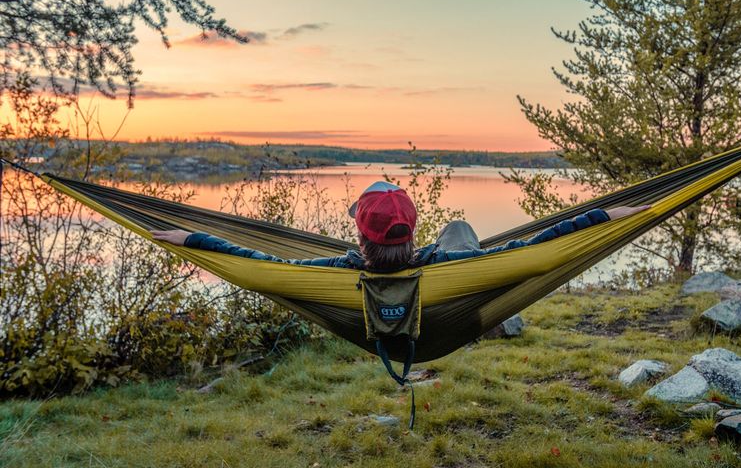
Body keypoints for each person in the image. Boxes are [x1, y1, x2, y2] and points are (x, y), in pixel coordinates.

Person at [151, 181, 650, 272]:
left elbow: (263, 261)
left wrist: (191, 237)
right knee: (462, 227)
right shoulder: (452, 264)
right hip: (441, 280)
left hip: (366, 283)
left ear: (359, 235)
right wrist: (605, 216)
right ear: (412, 231)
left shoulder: (339, 270)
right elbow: (535, 242)